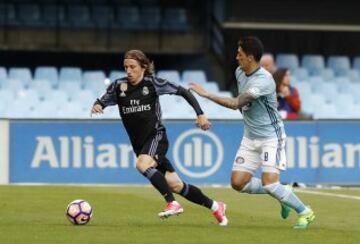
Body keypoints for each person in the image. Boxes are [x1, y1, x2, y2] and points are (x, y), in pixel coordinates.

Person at [91, 49, 228, 226]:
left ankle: (172, 203)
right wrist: (97, 105)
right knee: (177, 185)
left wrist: (200, 114)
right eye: (126, 67)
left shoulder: (152, 83)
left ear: (143, 67)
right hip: (140, 145)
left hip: (156, 137)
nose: (128, 71)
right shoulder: (119, 86)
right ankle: (216, 206)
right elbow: (103, 100)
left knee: (142, 164)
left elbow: (184, 92)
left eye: (132, 67)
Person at [190, 36, 315, 229]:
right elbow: (244, 106)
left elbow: (236, 104)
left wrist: (206, 94)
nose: (236, 57)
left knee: (270, 183)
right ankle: (284, 193)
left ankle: (305, 212)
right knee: (238, 183)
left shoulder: (264, 81)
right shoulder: (240, 71)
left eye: (240, 54)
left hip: (271, 137)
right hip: (250, 137)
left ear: (250, 57)